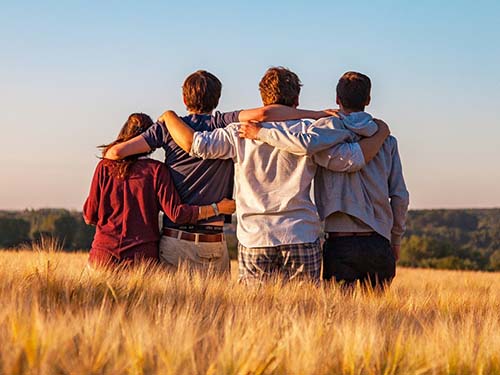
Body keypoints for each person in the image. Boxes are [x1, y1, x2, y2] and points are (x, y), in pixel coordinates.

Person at [158, 67, 390, 284]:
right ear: (296, 100)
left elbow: (196, 145)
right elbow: (349, 160)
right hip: (301, 233)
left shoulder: (238, 132)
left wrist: (169, 116)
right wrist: (380, 134)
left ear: (263, 98)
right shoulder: (311, 130)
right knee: (305, 315)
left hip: (255, 236)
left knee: (255, 315)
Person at [103, 70, 338, 274]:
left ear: (184, 99)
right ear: (217, 99)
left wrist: (165, 123)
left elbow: (114, 154)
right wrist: (316, 114)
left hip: (176, 239)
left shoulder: (167, 128)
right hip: (214, 241)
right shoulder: (223, 123)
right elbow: (265, 114)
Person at [240, 71, 409, 289]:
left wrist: (261, 133)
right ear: (368, 100)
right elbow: (400, 196)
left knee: (337, 317)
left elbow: (302, 145)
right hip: (379, 241)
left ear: (337, 100)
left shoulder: (323, 135)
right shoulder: (386, 141)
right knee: (377, 319)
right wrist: (395, 239)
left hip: (340, 242)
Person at [83, 113, 235, 269]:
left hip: (103, 256)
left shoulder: (104, 167)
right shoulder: (156, 171)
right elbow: (177, 214)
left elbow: (90, 216)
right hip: (141, 260)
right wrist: (217, 208)